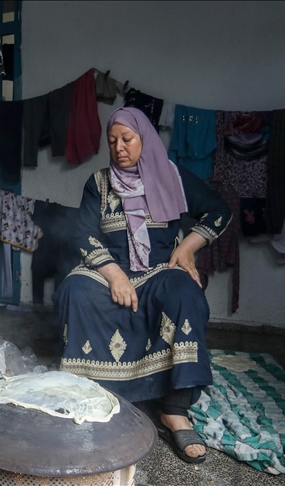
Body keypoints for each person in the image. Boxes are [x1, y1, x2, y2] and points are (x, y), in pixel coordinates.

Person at [54, 107, 232, 464]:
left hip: (157, 270)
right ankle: (93, 395)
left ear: (144, 138)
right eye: (113, 140)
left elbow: (218, 210)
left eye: (128, 138)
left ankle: (174, 409)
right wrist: (115, 275)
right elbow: (83, 234)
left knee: (184, 292)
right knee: (76, 289)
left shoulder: (172, 176)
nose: (119, 147)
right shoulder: (99, 183)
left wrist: (186, 247)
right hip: (110, 270)